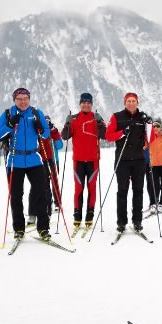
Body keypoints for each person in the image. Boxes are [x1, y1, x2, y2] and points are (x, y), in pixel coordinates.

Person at [0, 88, 51, 240]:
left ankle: (43, 228)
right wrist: (10, 125)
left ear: (29, 98)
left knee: (41, 193)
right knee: (16, 196)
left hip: (34, 158)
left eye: (25, 98)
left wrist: (40, 126)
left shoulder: (36, 112)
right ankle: (19, 229)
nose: (23, 101)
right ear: (14, 100)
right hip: (15, 160)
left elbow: (46, 133)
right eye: (19, 98)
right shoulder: (7, 114)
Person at [105, 92, 151, 233]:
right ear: (125, 103)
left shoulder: (142, 117)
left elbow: (150, 138)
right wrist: (122, 133)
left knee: (138, 191)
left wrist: (148, 124)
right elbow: (108, 136)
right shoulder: (116, 117)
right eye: (128, 101)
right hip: (122, 160)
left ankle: (137, 221)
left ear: (137, 102)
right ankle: (121, 222)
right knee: (122, 192)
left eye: (133, 101)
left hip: (138, 160)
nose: (131, 103)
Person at [61, 93, 107, 232]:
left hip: (93, 160)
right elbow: (65, 136)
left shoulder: (96, 118)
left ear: (91, 104)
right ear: (80, 104)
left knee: (92, 188)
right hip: (78, 161)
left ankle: (89, 216)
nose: (86, 104)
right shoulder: (74, 119)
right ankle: (77, 216)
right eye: (83, 102)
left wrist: (100, 122)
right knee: (79, 189)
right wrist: (67, 123)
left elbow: (104, 135)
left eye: (88, 102)